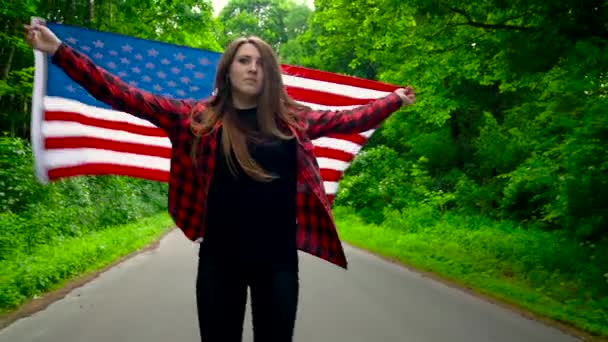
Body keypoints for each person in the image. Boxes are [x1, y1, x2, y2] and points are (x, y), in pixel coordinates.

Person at [24, 22, 416, 342]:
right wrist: (59, 51)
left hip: (278, 263)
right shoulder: (196, 119)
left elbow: (350, 119)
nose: (252, 68)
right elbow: (123, 95)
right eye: (243, 61)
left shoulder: (293, 121)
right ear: (228, 70)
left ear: (270, 73)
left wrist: (393, 100)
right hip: (219, 262)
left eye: (261, 63)